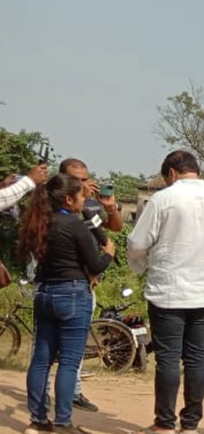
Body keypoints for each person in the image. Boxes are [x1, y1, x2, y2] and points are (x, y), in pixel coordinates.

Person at [126, 150, 204, 434]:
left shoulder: (164, 199)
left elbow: (137, 242)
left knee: (168, 358)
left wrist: (145, 258)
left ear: (171, 174)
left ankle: (164, 424)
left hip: (169, 292)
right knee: (197, 357)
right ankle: (190, 424)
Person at [18, 174, 115, 434]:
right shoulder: (74, 224)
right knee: (70, 362)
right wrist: (108, 253)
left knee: (41, 360)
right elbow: (94, 266)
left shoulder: (39, 222)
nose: (85, 199)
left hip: (45, 293)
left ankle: (37, 421)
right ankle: (62, 424)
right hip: (72, 293)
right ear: (69, 199)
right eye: (81, 195)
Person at [59, 158, 124, 413]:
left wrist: (110, 208)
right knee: (47, 346)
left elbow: (114, 227)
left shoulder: (92, 204)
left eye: (86, 179)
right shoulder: (57, 203)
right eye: (76, 180)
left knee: (74, 345)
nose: (84, 184)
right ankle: (53, 399)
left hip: (87, 284)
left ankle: (72, 393)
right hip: (63, 282)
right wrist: (78, 200)